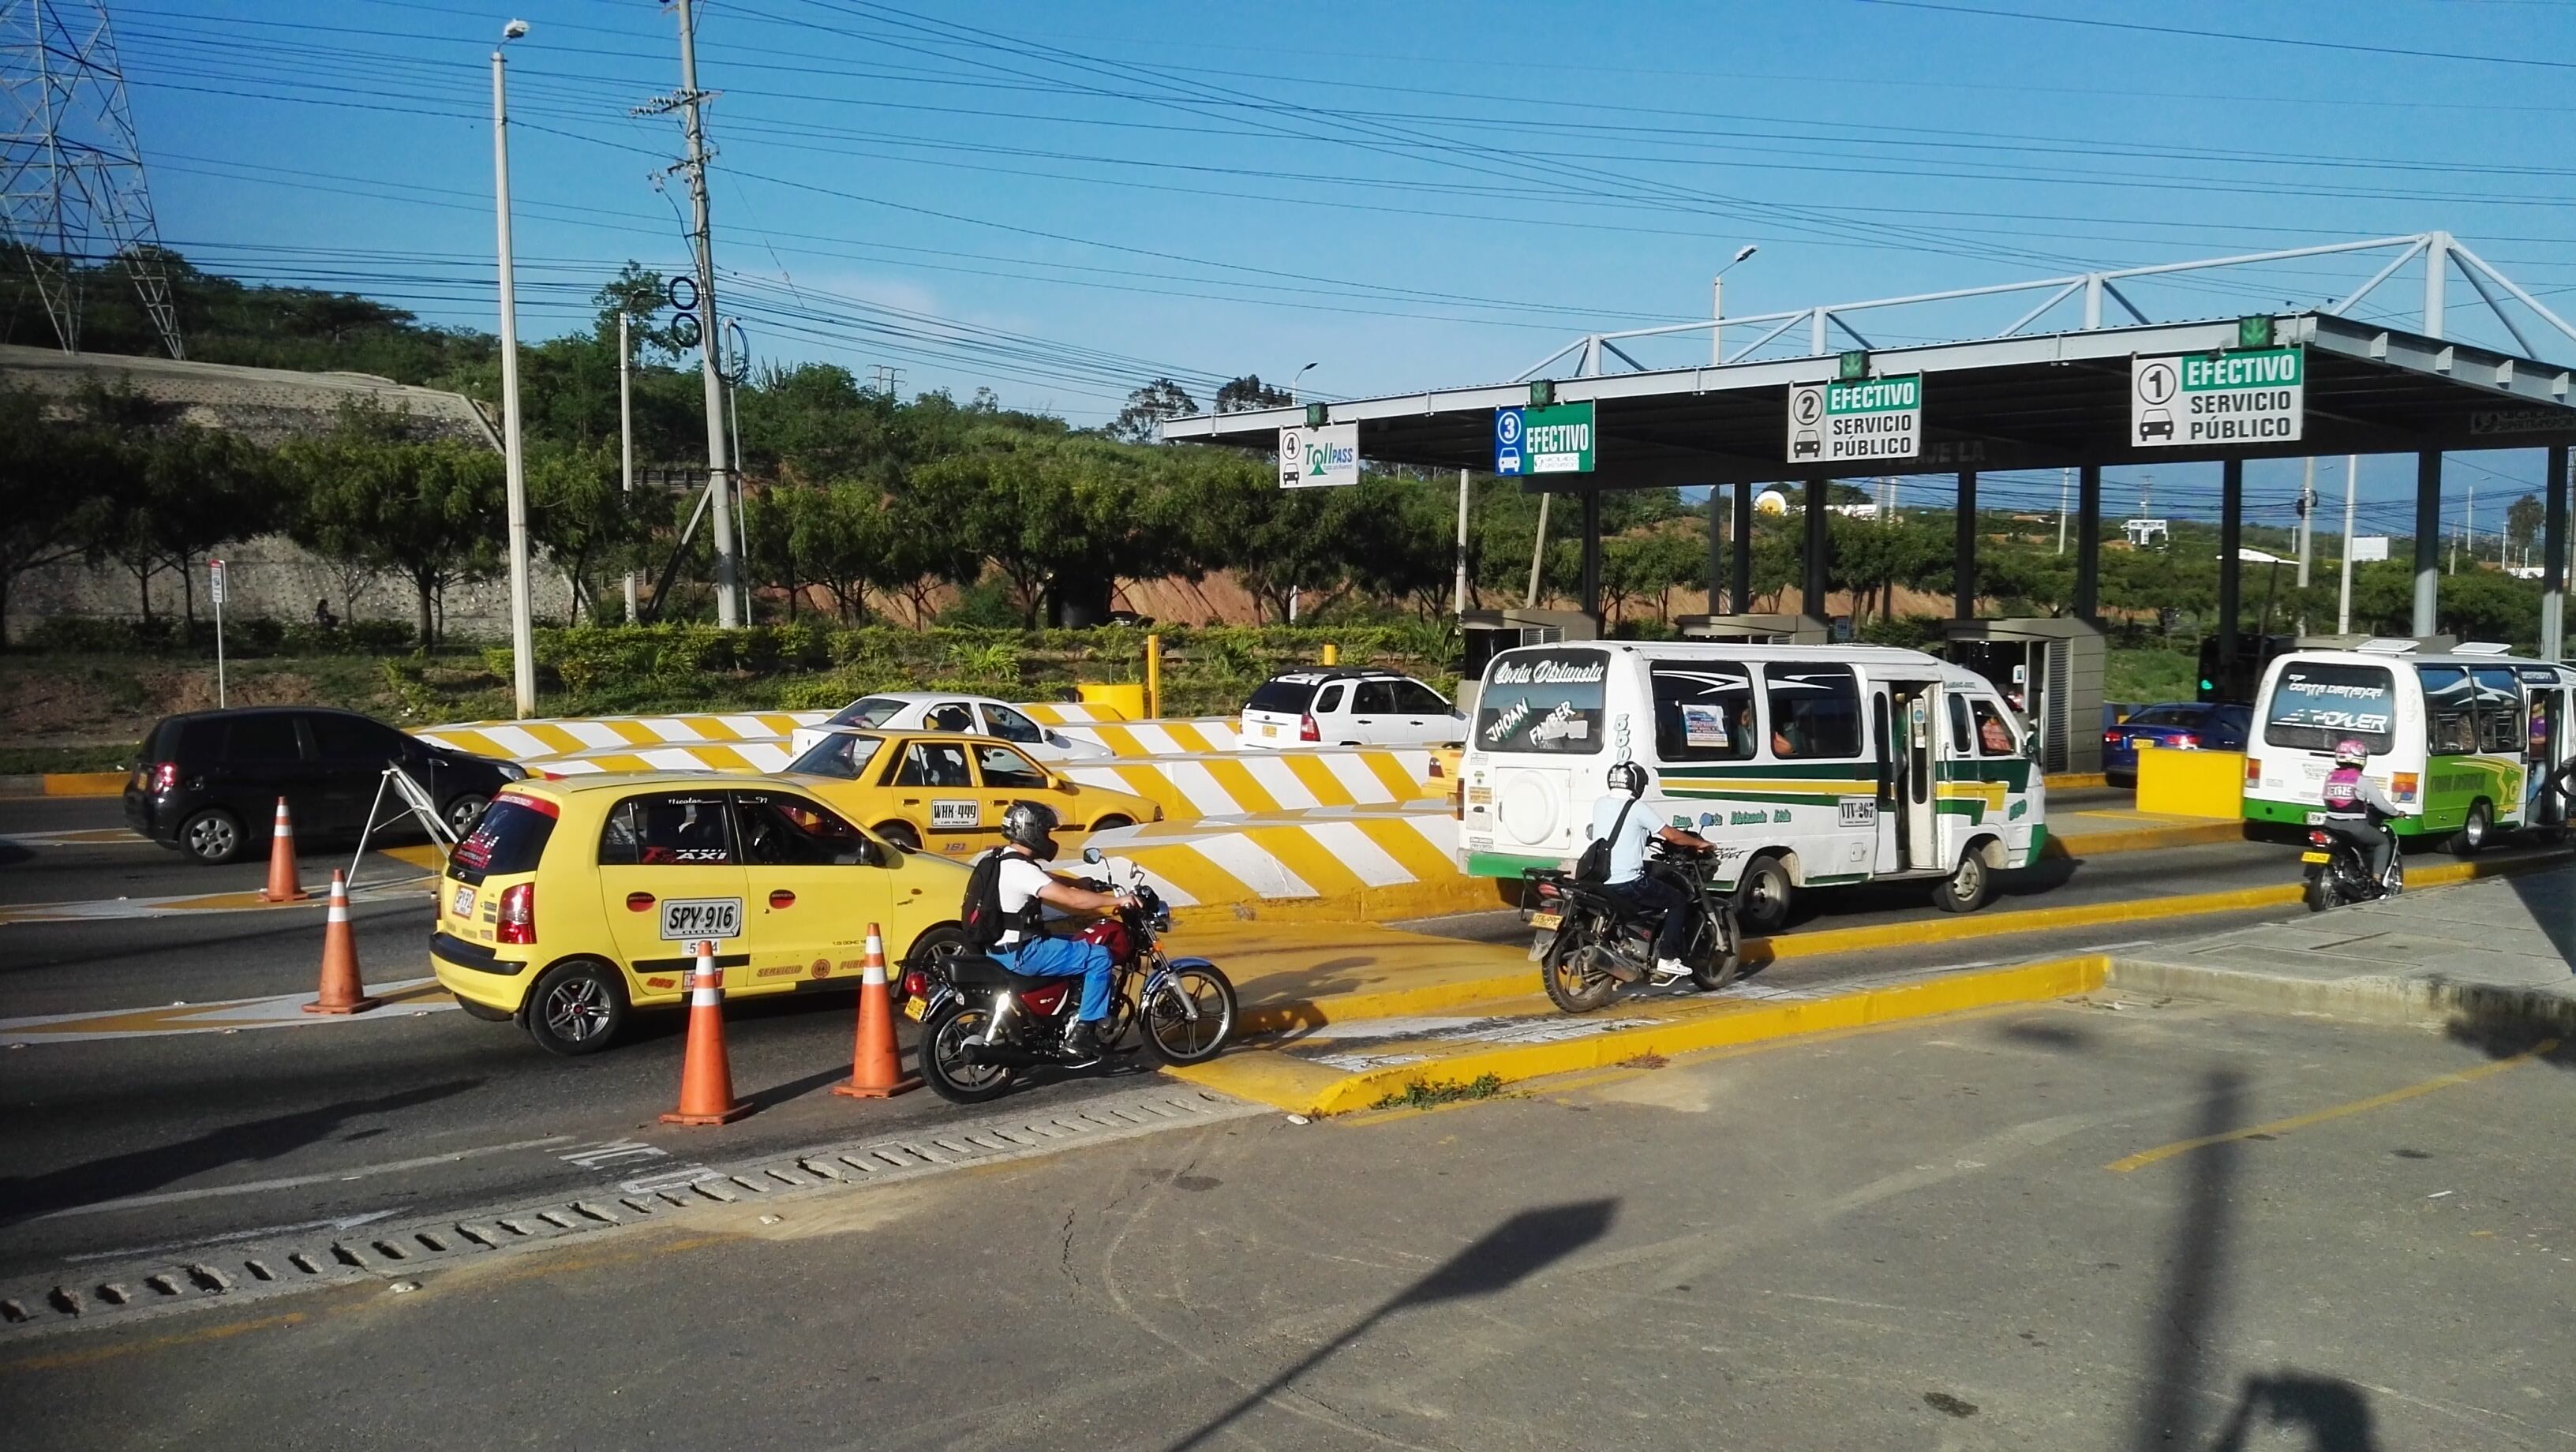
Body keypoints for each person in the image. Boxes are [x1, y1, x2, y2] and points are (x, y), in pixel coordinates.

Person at [985, 800, 1135, 1058]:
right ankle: (1082, 1035)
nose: (1047, 837)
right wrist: (1118, 901)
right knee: (1099, 956)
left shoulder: (1002, 858)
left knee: (1078, 941)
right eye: (1045, 832)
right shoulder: (1021, 869)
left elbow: (1046, 879)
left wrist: (1078, 882)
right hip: (1024, 953)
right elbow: (1073, 901)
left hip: (1000, 947)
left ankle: (1068, 1010)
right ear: (1029, 831)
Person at [1587, 760, 1715, 982]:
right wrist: (1697, 844)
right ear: (1636, 784)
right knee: (1677, 900)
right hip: (1626, 883)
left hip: (1600, 879)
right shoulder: (1637, 808)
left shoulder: (1600, 803)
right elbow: (1672, 836)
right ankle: (1667, 958)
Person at [2318, 738, 2401, 889]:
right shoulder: (2361, 780)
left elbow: (2326, 799)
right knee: (2382, 842)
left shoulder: (2330, 777)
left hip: (2330, 824)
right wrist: (2396, 813)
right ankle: (2376, 879)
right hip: (2355, 827)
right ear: (2361, 759)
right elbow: (2381, 804)